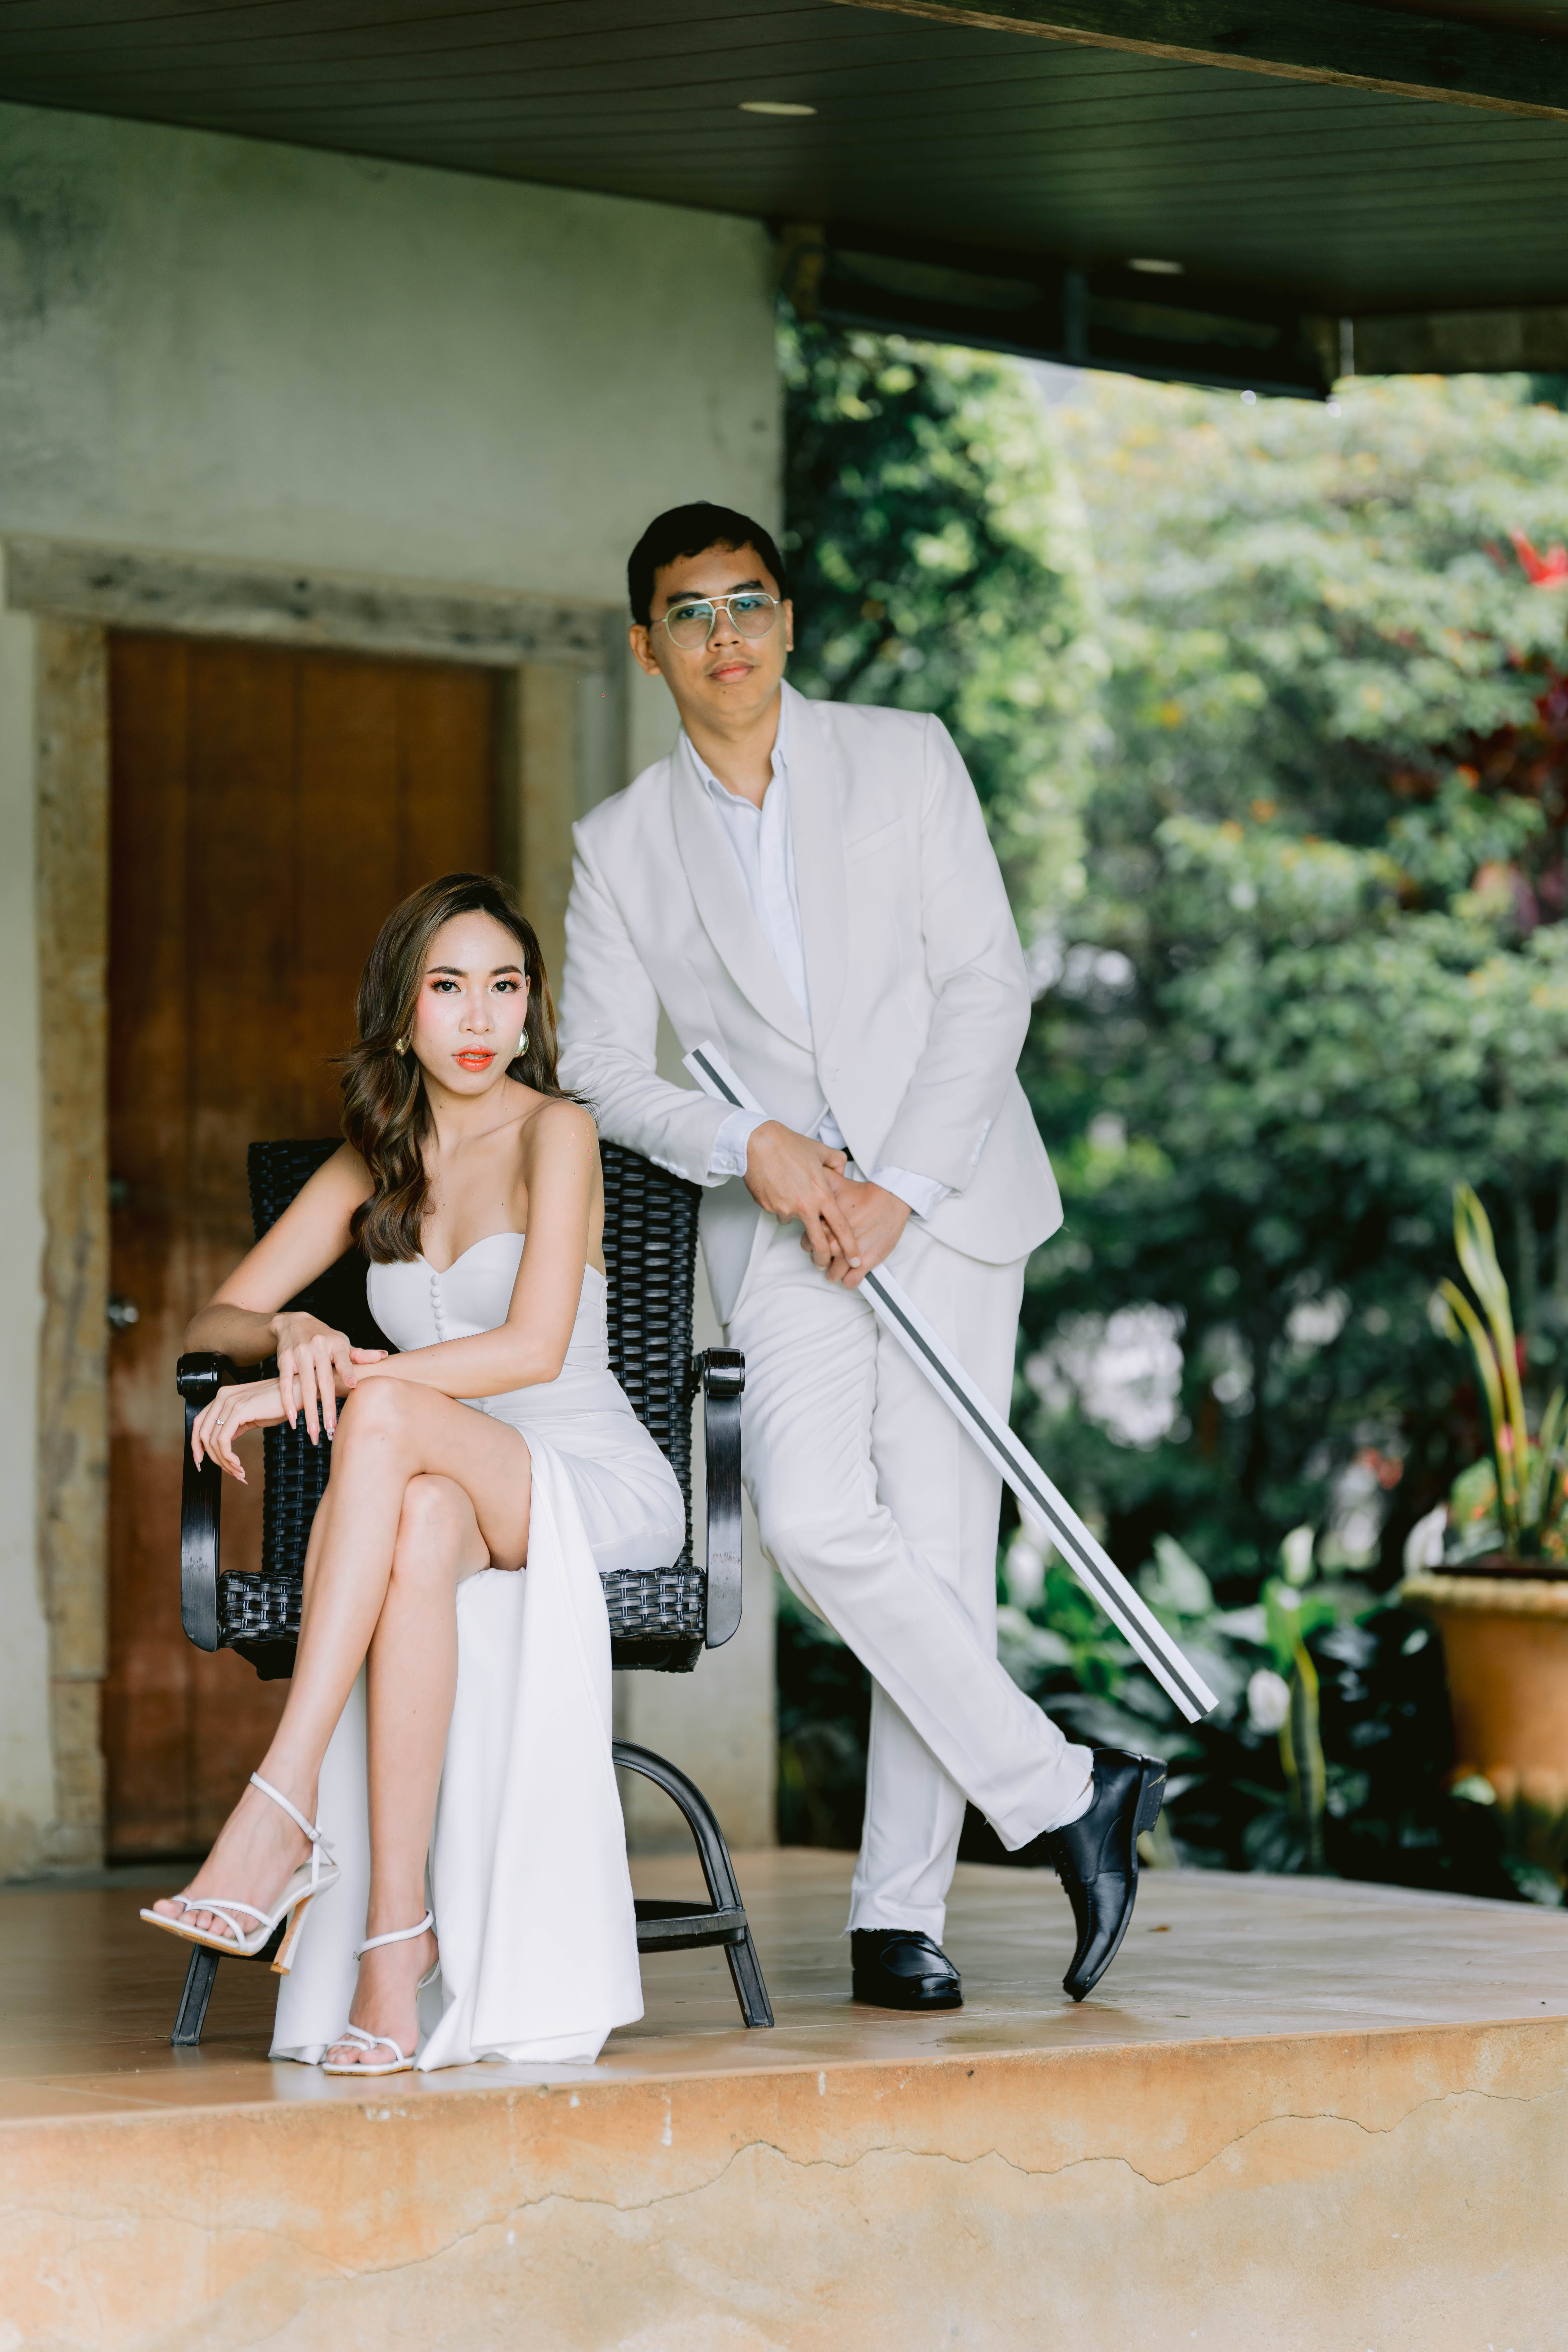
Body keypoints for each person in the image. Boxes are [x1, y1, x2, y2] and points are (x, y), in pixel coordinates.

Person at [559, 502, 1165, 2011]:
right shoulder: (618, 845)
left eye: (748, 602)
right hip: (777, 1221)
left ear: (786, 620)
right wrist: (747, 1144)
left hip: (945, 1195)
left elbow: (986, 984)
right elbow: (598, 1067)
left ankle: (901, 1915)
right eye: (690, 613)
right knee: (816, 1514)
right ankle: (1068, 1791)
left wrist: (898, 1185)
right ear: (647, 646)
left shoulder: (906, 758)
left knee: (941, 1548)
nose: (725, 635)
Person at [143, 872, 685, 2071]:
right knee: (424, 1516)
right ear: (402, 1012)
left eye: (505, 987)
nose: (480, 1018)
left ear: (532, 1006)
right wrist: (288, 1332)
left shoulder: (557, 1131)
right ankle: (397, 1950)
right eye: (448, 988)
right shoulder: (376, 1158)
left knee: (384, 1415)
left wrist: (313, 1391)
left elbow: (532, 1349)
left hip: (585, 1480)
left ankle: (280, 1804)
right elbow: (212, 1318)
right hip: (454, 1481)